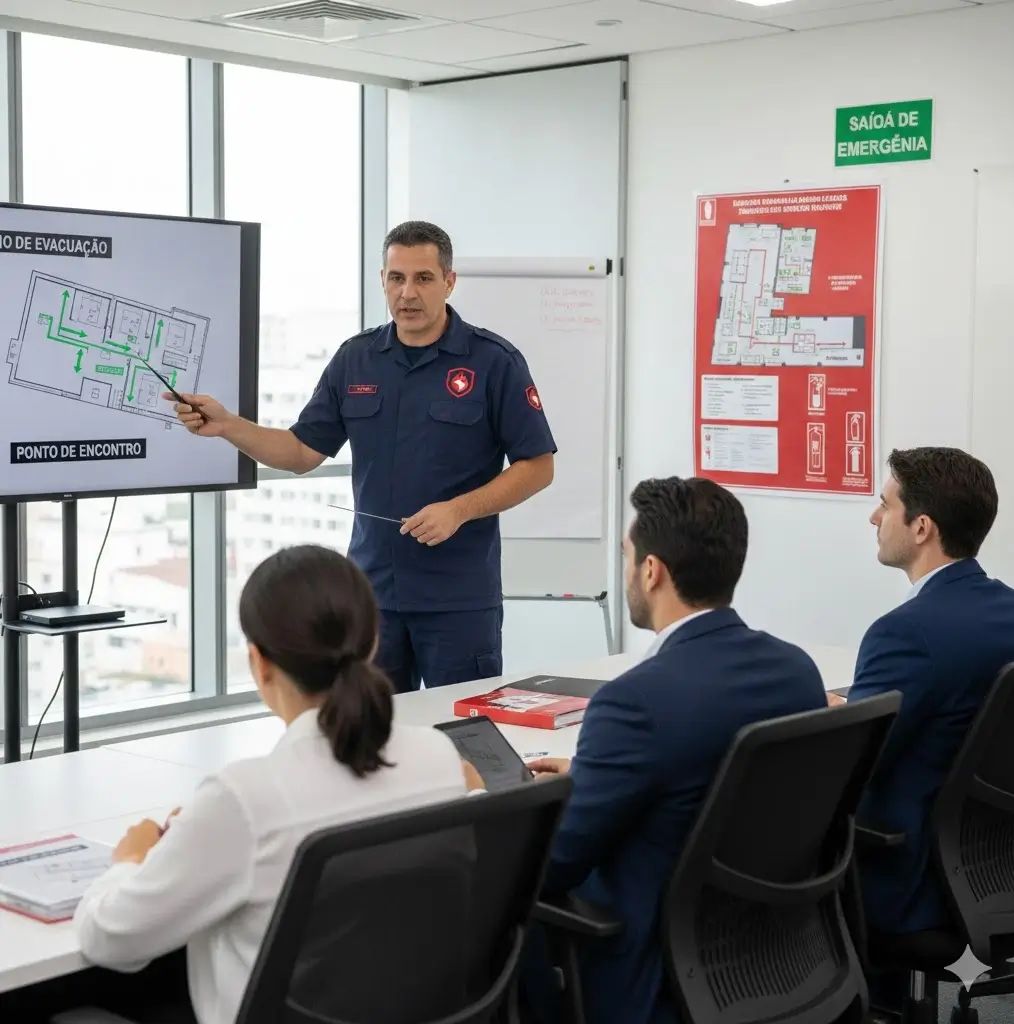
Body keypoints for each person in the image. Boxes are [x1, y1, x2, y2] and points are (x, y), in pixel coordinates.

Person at [69, 545, 474, 1024]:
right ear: (372, 644)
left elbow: (111, 940)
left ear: (259, 663)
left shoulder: (244, 799)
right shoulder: (439, 758)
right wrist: (205, 833)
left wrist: (130, 860)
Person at [167, 221, 556, 693]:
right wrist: (228, 424)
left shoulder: (494, 362)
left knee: (465, 741)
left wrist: (458, 510)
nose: (408, 293)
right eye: (397, 278)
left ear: (449, 282)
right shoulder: (355, 360)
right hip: (374, 599)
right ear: (383, 280)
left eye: (423, 278)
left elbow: (538, 466)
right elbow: (300, 452)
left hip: (459, 601)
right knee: (370, 743)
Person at [522, 477, 827, 1024]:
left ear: (652, 570)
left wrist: (491, 804)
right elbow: (711, 769)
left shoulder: (633, 703)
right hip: (773, 951)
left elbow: (555, 865)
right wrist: (595, 773)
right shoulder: (796, 671)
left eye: (627, 556)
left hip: (654, 969)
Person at [838, 448, 1014, 946]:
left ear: (921, 528)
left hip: (912, 876)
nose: (874, 517)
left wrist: (829, 718)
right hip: (1003, 864)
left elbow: (852, 766)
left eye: (885, 504)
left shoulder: (904, 634)